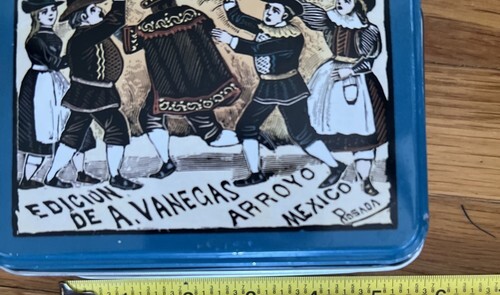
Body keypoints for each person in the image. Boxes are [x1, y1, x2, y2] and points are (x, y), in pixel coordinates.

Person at [213, 0, 345, 188]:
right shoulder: (266, 27)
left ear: (285, 15)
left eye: (275, 10)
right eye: (268, 8)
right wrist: (229, 4)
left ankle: (336, 166)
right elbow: (240, 19)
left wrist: (231, 40)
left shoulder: (291, 37)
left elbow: (259, 49)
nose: (268, 12)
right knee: (246, 127)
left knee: (301, 133)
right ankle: (256, 173)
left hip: (289, 88)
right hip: (268, 87)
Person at [122, 0, 242, 179]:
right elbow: (209, 27)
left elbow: (129, 45)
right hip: (200, 84)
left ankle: (167, 162)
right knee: (208, 129)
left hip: (168, 87)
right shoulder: (191, 13)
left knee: (150, 118)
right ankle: (249, 135)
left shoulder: (145, 27)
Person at [44, 0, 141, 190]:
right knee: (117, 128)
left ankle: (51, 176)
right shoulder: (87, 35)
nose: (100, 11)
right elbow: (116, 20)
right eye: (94, 9)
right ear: (83, 16)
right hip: (95, 94)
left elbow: (69, 61)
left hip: (89, 93)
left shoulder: (83, 37)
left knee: (73, 135)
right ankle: (115, 177)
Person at [299, 0, 388, 195]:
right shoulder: (331, 22)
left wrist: (351, 71)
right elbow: (308, 12)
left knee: (364, 133)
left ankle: (365, 180)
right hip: (330, 77)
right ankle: (334, 167)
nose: (340, 3)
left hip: (359, 80)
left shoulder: (369, 30)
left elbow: (369, 61)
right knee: (324, 124)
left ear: (358, 4)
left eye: (346, 0)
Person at [18, 0, 95, 189]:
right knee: (43, 128)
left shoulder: (52, 35)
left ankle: (80, 172)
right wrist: (76, 55)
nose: (51, 14)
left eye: (53, 9)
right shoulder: (35, 40)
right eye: (45, 12)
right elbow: (53, 62)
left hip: (56, 82)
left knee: (72, 122)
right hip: (40, 85)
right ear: (36, 16)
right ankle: (27, 179)